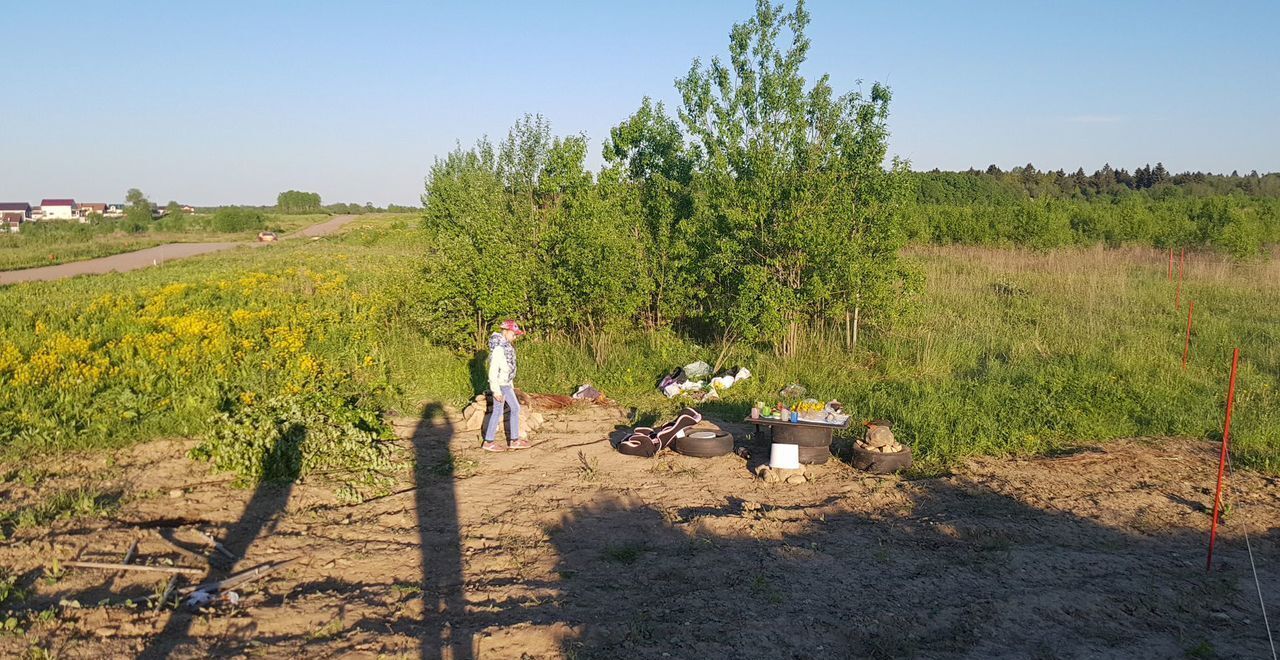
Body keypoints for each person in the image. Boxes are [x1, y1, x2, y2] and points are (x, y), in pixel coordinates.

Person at [482, 320, 529, 452]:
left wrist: (511, 384)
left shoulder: (506, 346)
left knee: (515, 408)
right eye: (514, 334)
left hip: (506, 385)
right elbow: (493, 372)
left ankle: (514, 440)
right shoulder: (498, 348)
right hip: (500, 386)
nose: (515, 337)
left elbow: (508, 369)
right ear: (506, 331)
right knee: (497, 412)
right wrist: (496, 391)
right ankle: (488, 441)